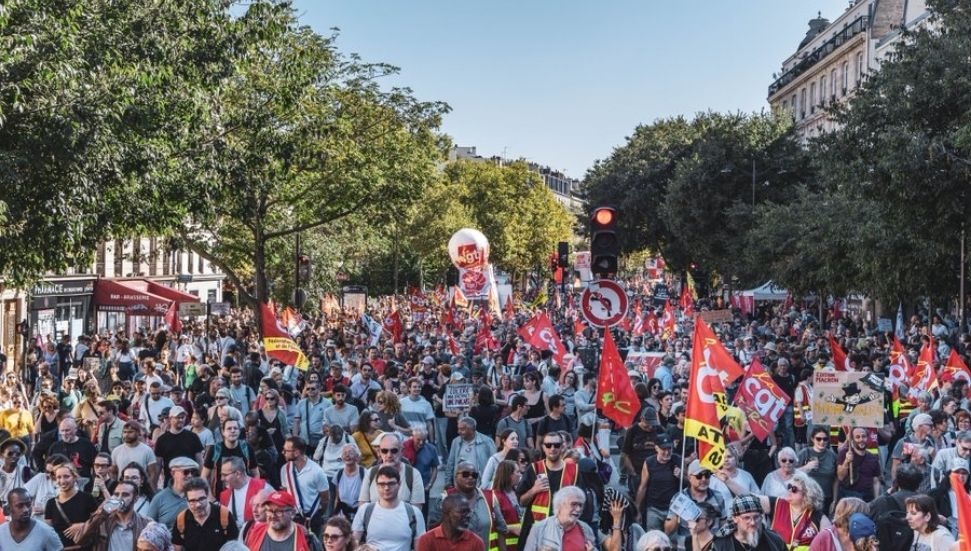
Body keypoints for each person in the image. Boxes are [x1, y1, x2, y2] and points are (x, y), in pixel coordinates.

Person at [516, 430, 579, 543]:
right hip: (536, 532)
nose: (552, 448)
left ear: (562, 447)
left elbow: (581, 505)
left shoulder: (574, 471)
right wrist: (534, 490)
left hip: (563, 533)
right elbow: (521, 501)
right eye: (548, 445)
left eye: (556, 445)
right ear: (543, 447)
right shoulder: (534, 469)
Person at [351, 465, 426, 551]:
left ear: (399, 484)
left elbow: (420, 547)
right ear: (376, 486)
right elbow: (354, 543)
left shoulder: (414, 513)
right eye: (382, 484)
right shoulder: (365, 510)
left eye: (391, 483)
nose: (386, 488)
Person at [755, 470, 831, 551]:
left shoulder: (819, 517)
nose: (790, 490)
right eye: (789, 487)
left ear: (807, 494)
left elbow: (829, 544)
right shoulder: (778, 504)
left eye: (794, 489)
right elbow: (752, 498)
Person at [447, 461, 508, 549]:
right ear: (455, 477)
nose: (470, 477)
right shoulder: (445, 498)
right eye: (465, 474)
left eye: (474, 475)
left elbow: (501, 529)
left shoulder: (490, 498)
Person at [77, 480, 152, 551]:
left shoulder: (146, 524)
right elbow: (80, 539)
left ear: (135, 499)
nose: (119, 498)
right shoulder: (103, 521)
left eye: (125, 495)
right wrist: (102, 513)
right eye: (116, 494)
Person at [665, 459, 727, 542]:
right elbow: (668, 531)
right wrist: (676, 515)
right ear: (689, 477)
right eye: (699, 476)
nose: (704, 479)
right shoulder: (679, 498)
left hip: (712, 545)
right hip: (686, 545)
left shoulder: (718, 496)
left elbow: (723, 523)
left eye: (707, 475)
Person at [358, 432, 425, 506]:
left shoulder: (414, 475)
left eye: (394, 451)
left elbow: (416, 509)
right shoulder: (370, 473)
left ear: (402, 451)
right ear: (379, 452)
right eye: (384, 451)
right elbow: (362, 506)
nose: (389, 455)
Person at [172, 477, 239, 551]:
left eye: (201, 499)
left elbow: (235, 547)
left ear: (207, 496)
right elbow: (177, 548)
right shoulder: (181, 520)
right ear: (186, 501)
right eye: (192, 501)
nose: (198, 505)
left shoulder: (224, 515)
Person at [279, 436, 329, 535]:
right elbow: (285, 493)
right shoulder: (285, 469)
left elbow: (325, 498)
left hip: (313, 518)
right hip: (293, 517)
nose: (283, 452)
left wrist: (317, 514)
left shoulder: (317, 471)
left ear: (296, 452)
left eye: (286, 450)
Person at [242, 489, 322, 551]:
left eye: (278, 511)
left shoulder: (306, 538)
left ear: (292, 513)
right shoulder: (254, 533)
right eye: (269, 510)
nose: (273, 516)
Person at [521, 486, 595, 551]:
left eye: (580, 505)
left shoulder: (586, 530)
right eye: (574, 504)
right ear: (560, 505)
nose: (578, 509)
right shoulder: (539, 528)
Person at [46, 461, 99, 551]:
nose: (62, 481)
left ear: (74, 477)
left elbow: (99, 522)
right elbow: (48, 532)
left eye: (66, 476)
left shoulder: (87, 498)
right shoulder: (51, 503)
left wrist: (84, 525)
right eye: (59, 477)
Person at [636, 433, 681, 531]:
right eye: (663, 449)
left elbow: (690, 479)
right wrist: (637, 509)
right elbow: (643, 487)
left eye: (669, 449)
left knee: (672, 538)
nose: (667, 452)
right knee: (654, 538)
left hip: (673, 509)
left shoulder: (677, 460)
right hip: (654, 509)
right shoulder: (649, 462)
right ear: (656, 448)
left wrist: (681, 475)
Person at [710, 495, 786, 551]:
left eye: (756, 517)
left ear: (761, 517)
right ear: (735, 519)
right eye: (746, 518)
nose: (753, 522)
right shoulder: (721, 545)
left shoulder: (775, 540)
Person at [154, 406, 204, 486]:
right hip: (170, 482)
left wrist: (202, 481)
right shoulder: (162, 440)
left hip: (190, 481)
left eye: (182, 417)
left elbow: (200, 461)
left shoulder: (193, 437)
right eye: (177, 417)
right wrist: (154, 484)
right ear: (170, 419)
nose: (181, 420)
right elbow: (158, 465)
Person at [417, 494, 485, 551]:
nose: (468, 516)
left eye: (468, 512)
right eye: (462, 512)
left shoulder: (476, 542)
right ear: (446, 514)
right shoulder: (427, 540)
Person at [147, 457, 199, 529]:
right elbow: (148, 528)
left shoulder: (198, 496)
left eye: (192, 472)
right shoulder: (159, 498)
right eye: (186, 472)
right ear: (173, 473)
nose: (190, 475)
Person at [218, 456, 268, 529]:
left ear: (238, 474)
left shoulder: (263, 487)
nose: (222, 479)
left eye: (225, 475)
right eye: (221, 475)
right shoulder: (224, 495)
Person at [444, 417, 497, 486]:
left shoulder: (487, 441)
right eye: (458, 429)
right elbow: (450, 463)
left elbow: (495, 463)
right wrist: (448, 483)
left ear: (472, 429)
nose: (458, 432)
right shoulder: (456, 441)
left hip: (480, 484)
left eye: (462, 429)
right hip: (460, 485)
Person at [798, 426, 839, 512]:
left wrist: (834, 500)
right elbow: (792, 473)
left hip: (826, 497)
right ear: (813, 439)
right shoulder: (805, 453)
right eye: (818, 439)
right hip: (807, 497)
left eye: (825, 439)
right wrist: (806, 467)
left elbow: (836, 480)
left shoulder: (832, 456)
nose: (822, 442)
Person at [836, 427, 882, 501]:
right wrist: (846, 461)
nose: (861, 439)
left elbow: (876, 482)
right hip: (849, 497)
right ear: (852, 440)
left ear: (867, 438)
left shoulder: (873, 458)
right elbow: (840, 477)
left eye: (863, 436)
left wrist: (876, 500)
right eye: (857, 437)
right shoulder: (845, 453)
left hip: (867, 497)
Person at [490, 460, 525, 551]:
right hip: (505, 546)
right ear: (508, 475)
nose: (520, 475)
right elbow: (492, 524)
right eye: (517, 472)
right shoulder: (494, 496)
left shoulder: (518, 493)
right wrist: (511, 528)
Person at [111, 421, 159, 485]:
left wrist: (150, 488)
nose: (126, 435)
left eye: (130, 432)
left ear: (138, 433)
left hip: (141, 488)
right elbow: (113, 472)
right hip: (123, 488)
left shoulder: (147, 450)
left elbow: (153, 474)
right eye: (124, 432)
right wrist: (115, 486)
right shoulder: (116, 451)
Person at [292, 382, 331, 450]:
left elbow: (330, 422)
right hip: (304, 439)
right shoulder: (301, 403)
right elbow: (296, 422)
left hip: (320, 440)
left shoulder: (327, 403)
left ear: (318, 389)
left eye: (313, 388)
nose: (310, 390)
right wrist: (295, 438)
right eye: (308, 389)